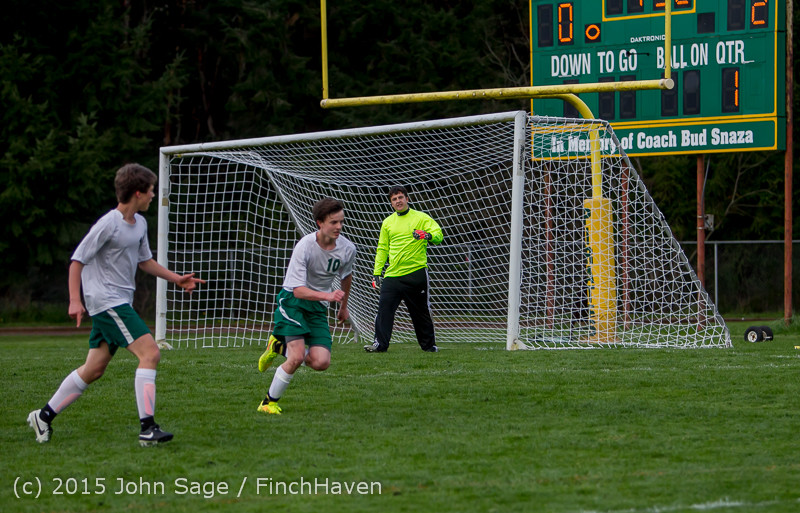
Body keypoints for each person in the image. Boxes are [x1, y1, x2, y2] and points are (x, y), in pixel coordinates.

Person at [26, 164, 205, 447]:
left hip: (118, 302)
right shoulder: (108, 223)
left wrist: (176, 279)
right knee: (150, 353)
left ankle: (43, 417)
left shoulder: (141, 224)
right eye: (150, 191)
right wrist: (75, 300)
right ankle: (148, 428)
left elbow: (144, 260)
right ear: (137, 192)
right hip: (107, 302)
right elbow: (77, 260)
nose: (153, 195)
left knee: (93, 370)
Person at [256, 198, 356, 414]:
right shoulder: (305, 246)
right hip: (293, 303)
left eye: (341, 222)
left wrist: (344, 306)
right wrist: (328, 296)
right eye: (333, 222)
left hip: (318, 307)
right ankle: (267, 403)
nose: (339, 227)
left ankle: (277, 346)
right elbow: (298, 290)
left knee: (321, 362)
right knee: (297, 357)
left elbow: (346, 275)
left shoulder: (348, 248)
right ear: (320, 223)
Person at [366, 185, 443, 353]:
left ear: (407, 199)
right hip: (393, 275)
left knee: (420, 313)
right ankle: (380, 345)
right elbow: (382, 249)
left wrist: (427, 235)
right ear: (391, 203)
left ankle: (429, 347)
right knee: (384, 309)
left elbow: (439, 235)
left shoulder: (421, 218)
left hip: (416, 273)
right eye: (394, 199)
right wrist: (377, 273)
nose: (398, 201)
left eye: (400, 197)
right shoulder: (387, 222)